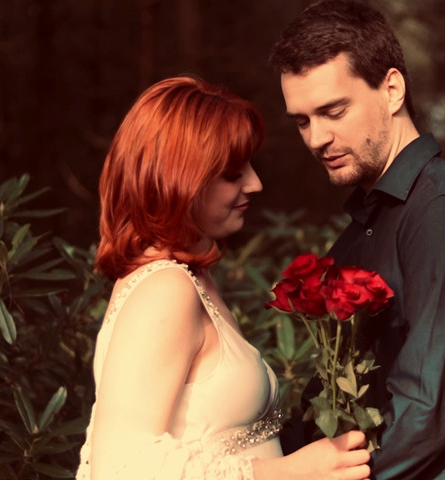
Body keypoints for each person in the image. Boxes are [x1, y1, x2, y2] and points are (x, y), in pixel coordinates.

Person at [269, 2, 445, 479]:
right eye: (302, 121)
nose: (316, 138)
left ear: (391, 89)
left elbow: (425, 413)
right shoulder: (364, 229)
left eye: (333, 111)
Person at [76, 76, 371, 480]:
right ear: (178, 180)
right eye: (233, 173)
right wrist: (291, 473)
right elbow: (121, 469)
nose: (256, 183)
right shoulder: (164, 290)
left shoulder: (192, 279)